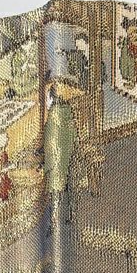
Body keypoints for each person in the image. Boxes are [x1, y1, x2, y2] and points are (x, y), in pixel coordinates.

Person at [43, 80, 78, 227]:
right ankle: (72, 214)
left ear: (51, 100)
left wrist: (46, 166)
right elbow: (74, 136)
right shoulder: (68, 112)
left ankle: (54, 219)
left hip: (57, 163)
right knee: (70, 187)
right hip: (70, 159)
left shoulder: (52, 117)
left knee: (55, 191)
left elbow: (49, 145)